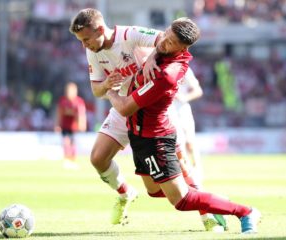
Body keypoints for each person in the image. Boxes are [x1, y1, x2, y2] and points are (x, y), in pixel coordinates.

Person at [69, 8, 226, 231]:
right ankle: (124, 192)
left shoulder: (130, 35)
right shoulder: (92, 50)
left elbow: (164, 38)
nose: (83, 45)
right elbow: (96, 88)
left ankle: (207, 214)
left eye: (85, 39)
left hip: (154, 109)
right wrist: (107, 86)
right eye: (80, 40)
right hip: (124, 105)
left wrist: (153, 56)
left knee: (181, 164)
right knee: (97, 158)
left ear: (100, 30)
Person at [106, 17, 261, 234]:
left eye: (170, 42)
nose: (164, 41)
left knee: (181, 200)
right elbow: (161, 41)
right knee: (153, 190)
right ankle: (211, 201)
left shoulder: (167, 76)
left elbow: (124, 108)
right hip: (139, 136)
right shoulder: (167, 46)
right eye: (166, 33)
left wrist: (109, 89)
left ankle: (245, 212)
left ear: (182, 48)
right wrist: (153, 55)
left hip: (155, 139)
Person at [55, 82, 87, 169]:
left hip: (74, 126)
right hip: (65, 125)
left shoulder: (79, 101)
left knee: (73, 143)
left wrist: (82, 124)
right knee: (66, 142)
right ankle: (66, 159)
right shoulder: (63, 101)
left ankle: (73, 160)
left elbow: (81, 113)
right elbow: (59, 113)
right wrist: (57, 125)